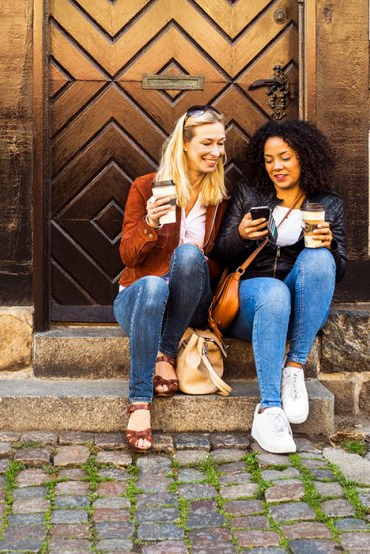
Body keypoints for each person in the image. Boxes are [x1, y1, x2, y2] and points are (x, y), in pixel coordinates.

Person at [213, 119, 347, 454]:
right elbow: (220, 252)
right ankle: (269, 409)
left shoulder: (329, 204)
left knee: (319, 260)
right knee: (273, 292)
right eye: (270, 159)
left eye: (285, 157)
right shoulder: (249, 194)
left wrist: (329, 246)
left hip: (297, 307)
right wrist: (240, 235)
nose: (277, 167)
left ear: (304, 157)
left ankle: (294, 367)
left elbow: (337, 270)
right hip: (251, 302)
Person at [115, 106, 229, 452]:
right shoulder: (146, 186)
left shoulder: (219, 198)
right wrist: (149, 223)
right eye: (207, 143)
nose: (217, 152)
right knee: (150, 284)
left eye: (221, 144)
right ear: (184, 144)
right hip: (140, 301)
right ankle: (139, 401)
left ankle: (165, 352)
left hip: (186, 305)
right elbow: (128, 257)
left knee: (191, 255)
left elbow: (215, 260)